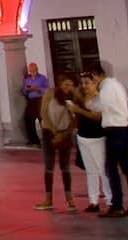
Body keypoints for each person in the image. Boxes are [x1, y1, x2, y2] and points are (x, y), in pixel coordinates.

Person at [92, 63, 128, 218]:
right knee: (127, 169)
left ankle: (117, 205)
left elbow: (101, 106)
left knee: (111, 168)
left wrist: (90, 101)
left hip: (114, 130)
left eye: (93, 78)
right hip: (123, 128)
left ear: (97, 74)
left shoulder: (107, 88)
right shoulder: (118, 85)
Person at [67, 74, 112, 212]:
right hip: (83, 137)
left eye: (88, 83)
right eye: (83, 83)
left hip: (98, 138)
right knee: (90, 170)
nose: (85, 86)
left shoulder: (99, 99)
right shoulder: (80, 99)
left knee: (103, 170)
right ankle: (93, 201)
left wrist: (78, 110)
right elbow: (77, 119)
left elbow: (97, 117)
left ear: (95, 84)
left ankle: (110, 199)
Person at [36, 75, 78, 212]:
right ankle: (48, 199)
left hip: (64, 134)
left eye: (71, 85)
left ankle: (69, 198)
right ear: (60, 84)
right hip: (49, 133)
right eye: (65, 84)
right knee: (49, 167)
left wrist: (63, 134)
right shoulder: (50, 93)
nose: (68, 88)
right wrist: (54, 132)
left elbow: (75, 120)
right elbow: (44, 113)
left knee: (65, 168)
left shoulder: (73, 99)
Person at [20, 63, 50, 146]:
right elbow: (23, 90)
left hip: (40, 100)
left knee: (42, 120)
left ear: (37, 69)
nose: (31, 71)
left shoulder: (42, 78)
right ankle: (34, 140)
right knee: (28, 119)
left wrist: (37, 88)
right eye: (30, 69)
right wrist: (27, 90)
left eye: (33, 69)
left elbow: (47, 89)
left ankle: (47, 140)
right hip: (31, 101)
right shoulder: (27, 79)